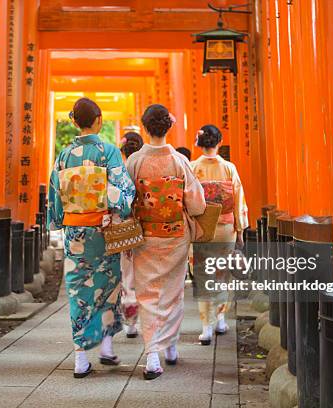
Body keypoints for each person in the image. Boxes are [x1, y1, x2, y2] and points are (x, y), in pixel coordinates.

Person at [47, 98, 136, 378]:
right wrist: (120, 205)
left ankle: (80, 358)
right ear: (98, 120)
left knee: (78, 291)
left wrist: (58, 221)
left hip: (75, 231)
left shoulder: (63, 156)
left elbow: (55, 195)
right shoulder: (108, 151)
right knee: (108, 286)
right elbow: (123, 190)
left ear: (75, 121)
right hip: (103, 230)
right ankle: (107, 348)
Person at [125, 104, 206, 380]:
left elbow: (125, 202)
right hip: (174, 235)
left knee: (147, 293)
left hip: (145, 235)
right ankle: (170, 346)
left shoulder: (134, 161)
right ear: (167, 126)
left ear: (145, 127)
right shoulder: (179, 161)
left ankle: (152, 355)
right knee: (173, 291)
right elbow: (196, 205)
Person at [190, 124, 249, 345]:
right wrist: (241, 229)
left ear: (199, 143)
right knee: (222, 274)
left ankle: (206, 327)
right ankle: (221, 319)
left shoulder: (193, 167)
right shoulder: (229, 168)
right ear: (219, 142)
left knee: (203, 274)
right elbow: (238, 198)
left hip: (202, 228)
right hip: (225, 229)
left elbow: (189, 201)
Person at [119, 131, 144, 338]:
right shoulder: (147, 165)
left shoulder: (122, 170)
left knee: (127, 274)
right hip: (150, 226)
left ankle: (130, 321)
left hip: (127, 228)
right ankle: (152, 319)